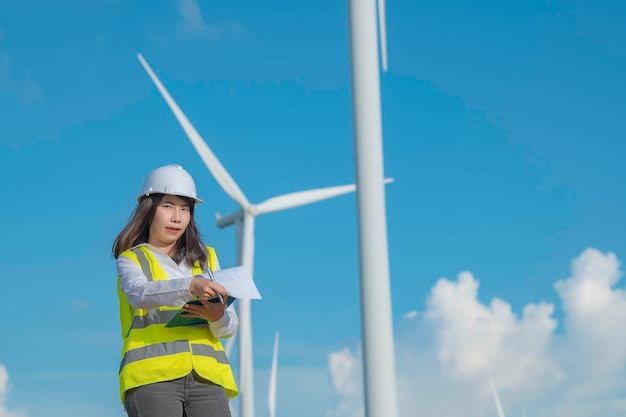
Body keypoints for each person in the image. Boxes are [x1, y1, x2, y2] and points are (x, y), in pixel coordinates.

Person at [112, 164, 238, 417]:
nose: (177, 217)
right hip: (152, 377)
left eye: (185, 209)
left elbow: (231, 326)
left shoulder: (206, 259)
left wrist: (217, 317)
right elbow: (139, 294)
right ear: (149, 210)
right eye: (168, 206)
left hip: (208, 378)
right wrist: (190, 286)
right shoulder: (132, 259)